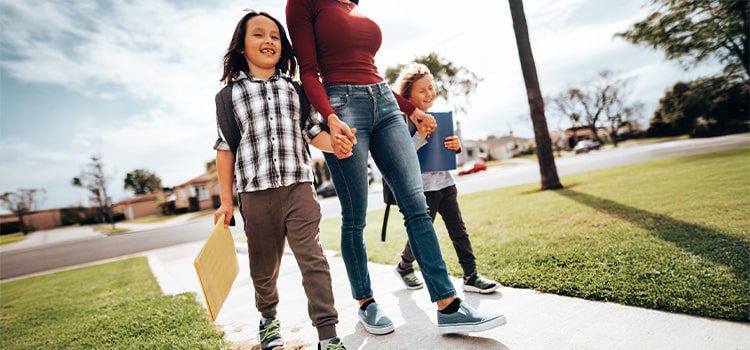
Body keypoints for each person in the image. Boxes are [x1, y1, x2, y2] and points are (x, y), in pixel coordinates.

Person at [286, 0, 506, 335]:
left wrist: (409, 109)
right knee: (355, 216)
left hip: (385, 103)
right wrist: (330, 116)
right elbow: (308, 71)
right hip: (342, 106)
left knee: (417, 205)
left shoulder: (353, 5)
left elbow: (370, 70)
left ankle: (448, 306)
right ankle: (366, 302)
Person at [213, 10, 352, 350]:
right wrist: (227, 201)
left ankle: (328, 334)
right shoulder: (228, 96)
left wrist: (336, 145)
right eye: (259, 35)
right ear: (242, 46)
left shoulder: (297, 90)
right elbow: (225, 147)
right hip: (255, 194)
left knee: (312, 259)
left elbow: (312, 133)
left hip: (299, 188)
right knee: (263, 267)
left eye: (275, 36)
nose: (269, 41)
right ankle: (269, 319)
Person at [392, 63, 501, 294]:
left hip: (446, 183)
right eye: (422, 90)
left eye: (431, 88)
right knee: (421, 234)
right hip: (422, 189)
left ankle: (470, 275)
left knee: (458, 230)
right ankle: (404, 265)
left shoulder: (440, 118)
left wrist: (457, 147)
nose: (429, 93)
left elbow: (449, 153)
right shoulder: (401, 121)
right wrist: (420, 136)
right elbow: (402, 157)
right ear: (408, 94)